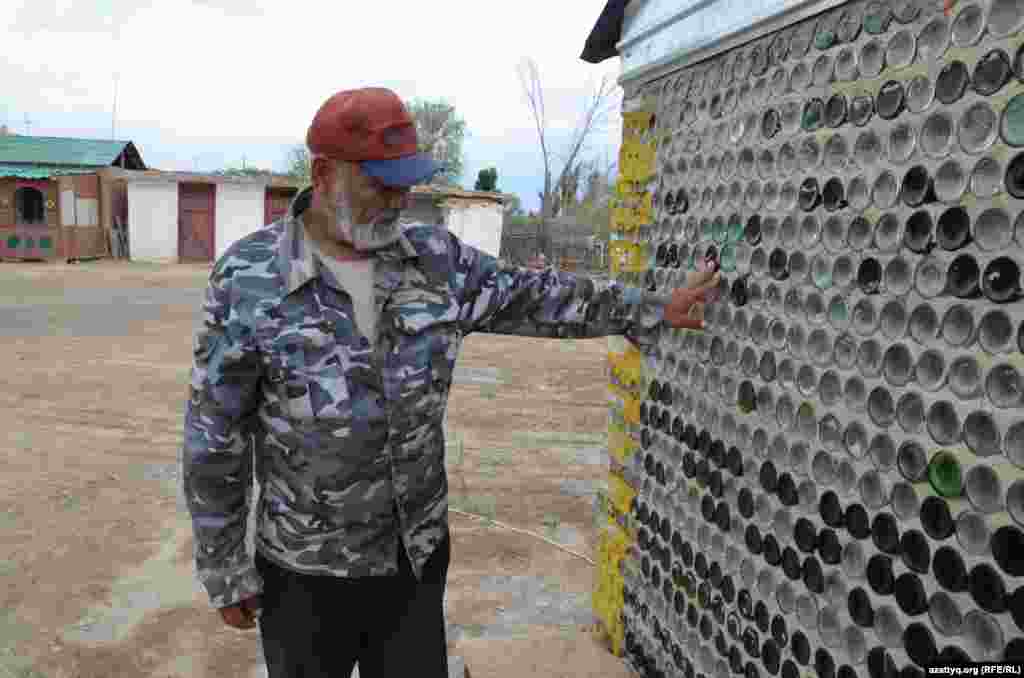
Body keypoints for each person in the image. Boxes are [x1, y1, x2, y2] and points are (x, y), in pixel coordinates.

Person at [181, 86, 719, 678]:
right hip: (304, 572)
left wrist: (653, 308)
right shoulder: (248, 276)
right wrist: (223, 563)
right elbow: (214, 431)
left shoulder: (437, 261)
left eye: (406, 182)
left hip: (413, 559)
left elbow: (540, 296)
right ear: (324, 172)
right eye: (380, 183)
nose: (398, 199)